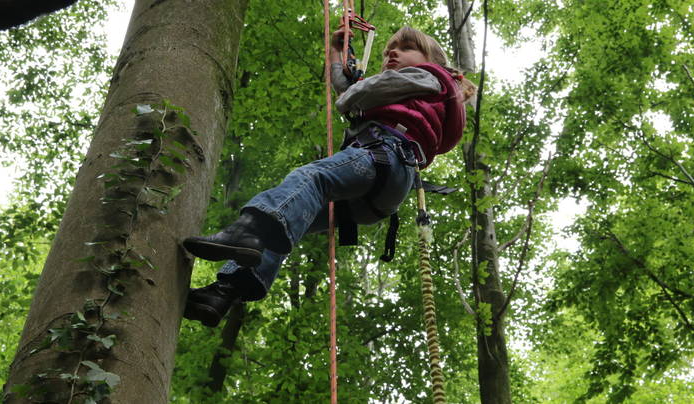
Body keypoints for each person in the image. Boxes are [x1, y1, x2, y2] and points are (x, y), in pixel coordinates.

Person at [182, 26, 476, 327]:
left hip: (384, 153)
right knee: (296, 216)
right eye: (389, 49)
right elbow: (348, 93)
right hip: (383, 187)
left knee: (311, 178)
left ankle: (248, 227)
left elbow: (352, 96)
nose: (392, 53)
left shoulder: (429, 77)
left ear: (433, 61)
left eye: (404, 48)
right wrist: (337, 53)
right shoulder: (410, 88)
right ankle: (224, 292)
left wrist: (354, 87)